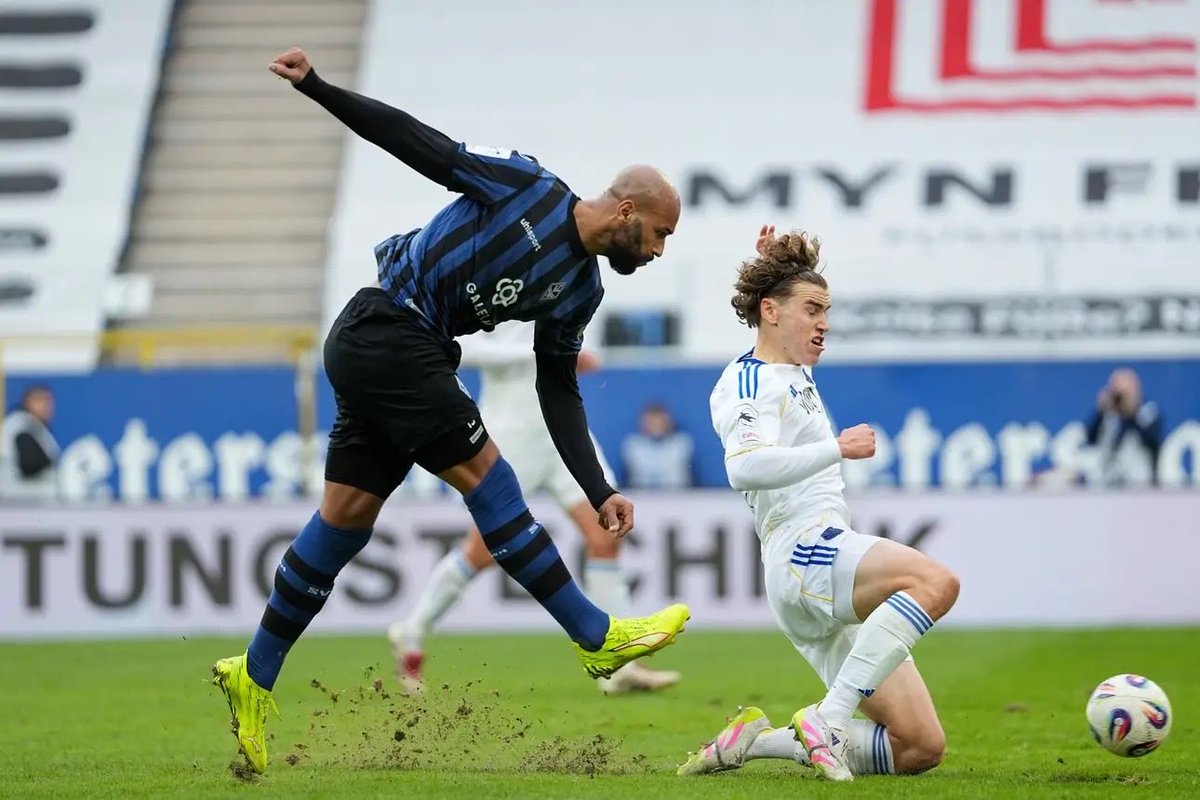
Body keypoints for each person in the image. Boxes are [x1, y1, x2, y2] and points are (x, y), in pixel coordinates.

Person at [211, 47, 690, 775]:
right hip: (388, 326)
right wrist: (319, 89)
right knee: (491, 483)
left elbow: (557, 389)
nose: (658, 251)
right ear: (627, 210)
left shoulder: (581, 292)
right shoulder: (525, 185)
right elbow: (418, 142)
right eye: (659, 233)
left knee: (343, 522)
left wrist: (598, 492)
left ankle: (254, 672)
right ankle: (598, 638)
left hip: (404, 351)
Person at [677, 226, 960, 782]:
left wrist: (777, 262)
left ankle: (755, 743)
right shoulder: (751, 382)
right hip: (806, 552)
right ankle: (829, 718)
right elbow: (743, 466)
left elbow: (775, 311)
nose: (824, 323)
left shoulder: (789, 368)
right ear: (771, 313)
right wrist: (836, 447)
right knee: (935, 584)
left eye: (827, 310)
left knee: (919, 747)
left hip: (810, 570)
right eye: (813, 309)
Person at [387, 321, 681, 695]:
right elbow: (463, 349)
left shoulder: (558, 282)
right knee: (480, 550)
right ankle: (412, 628)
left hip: (558, 433)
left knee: (606, 534)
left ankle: (621, 666)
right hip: (512, 435)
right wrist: (542, 353)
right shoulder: (490, 286)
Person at [1085, 368, 1162, 487]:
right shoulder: (1108, 414)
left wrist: (1131, 412)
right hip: (1108, 477)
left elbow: (1152, 441)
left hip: (1139, 479)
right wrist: (1099, 413)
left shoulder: (1148, 411)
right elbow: (1089, 439)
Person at [0, 385, 59, 503]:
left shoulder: (31, 425)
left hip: (21, 504)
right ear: (28, 401)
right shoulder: (22, 424)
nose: (46, 406)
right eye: (40, 400)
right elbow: (29, 463)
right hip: (22, 503)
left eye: (49, 401)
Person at [620, 402, 695, 489]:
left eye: (659, 421)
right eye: (652, 421)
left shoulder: (682, 444)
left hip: (677, 497)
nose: (656, 425)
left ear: (668, 422)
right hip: (640, 497)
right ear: (643, 423)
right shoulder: (632, 445)